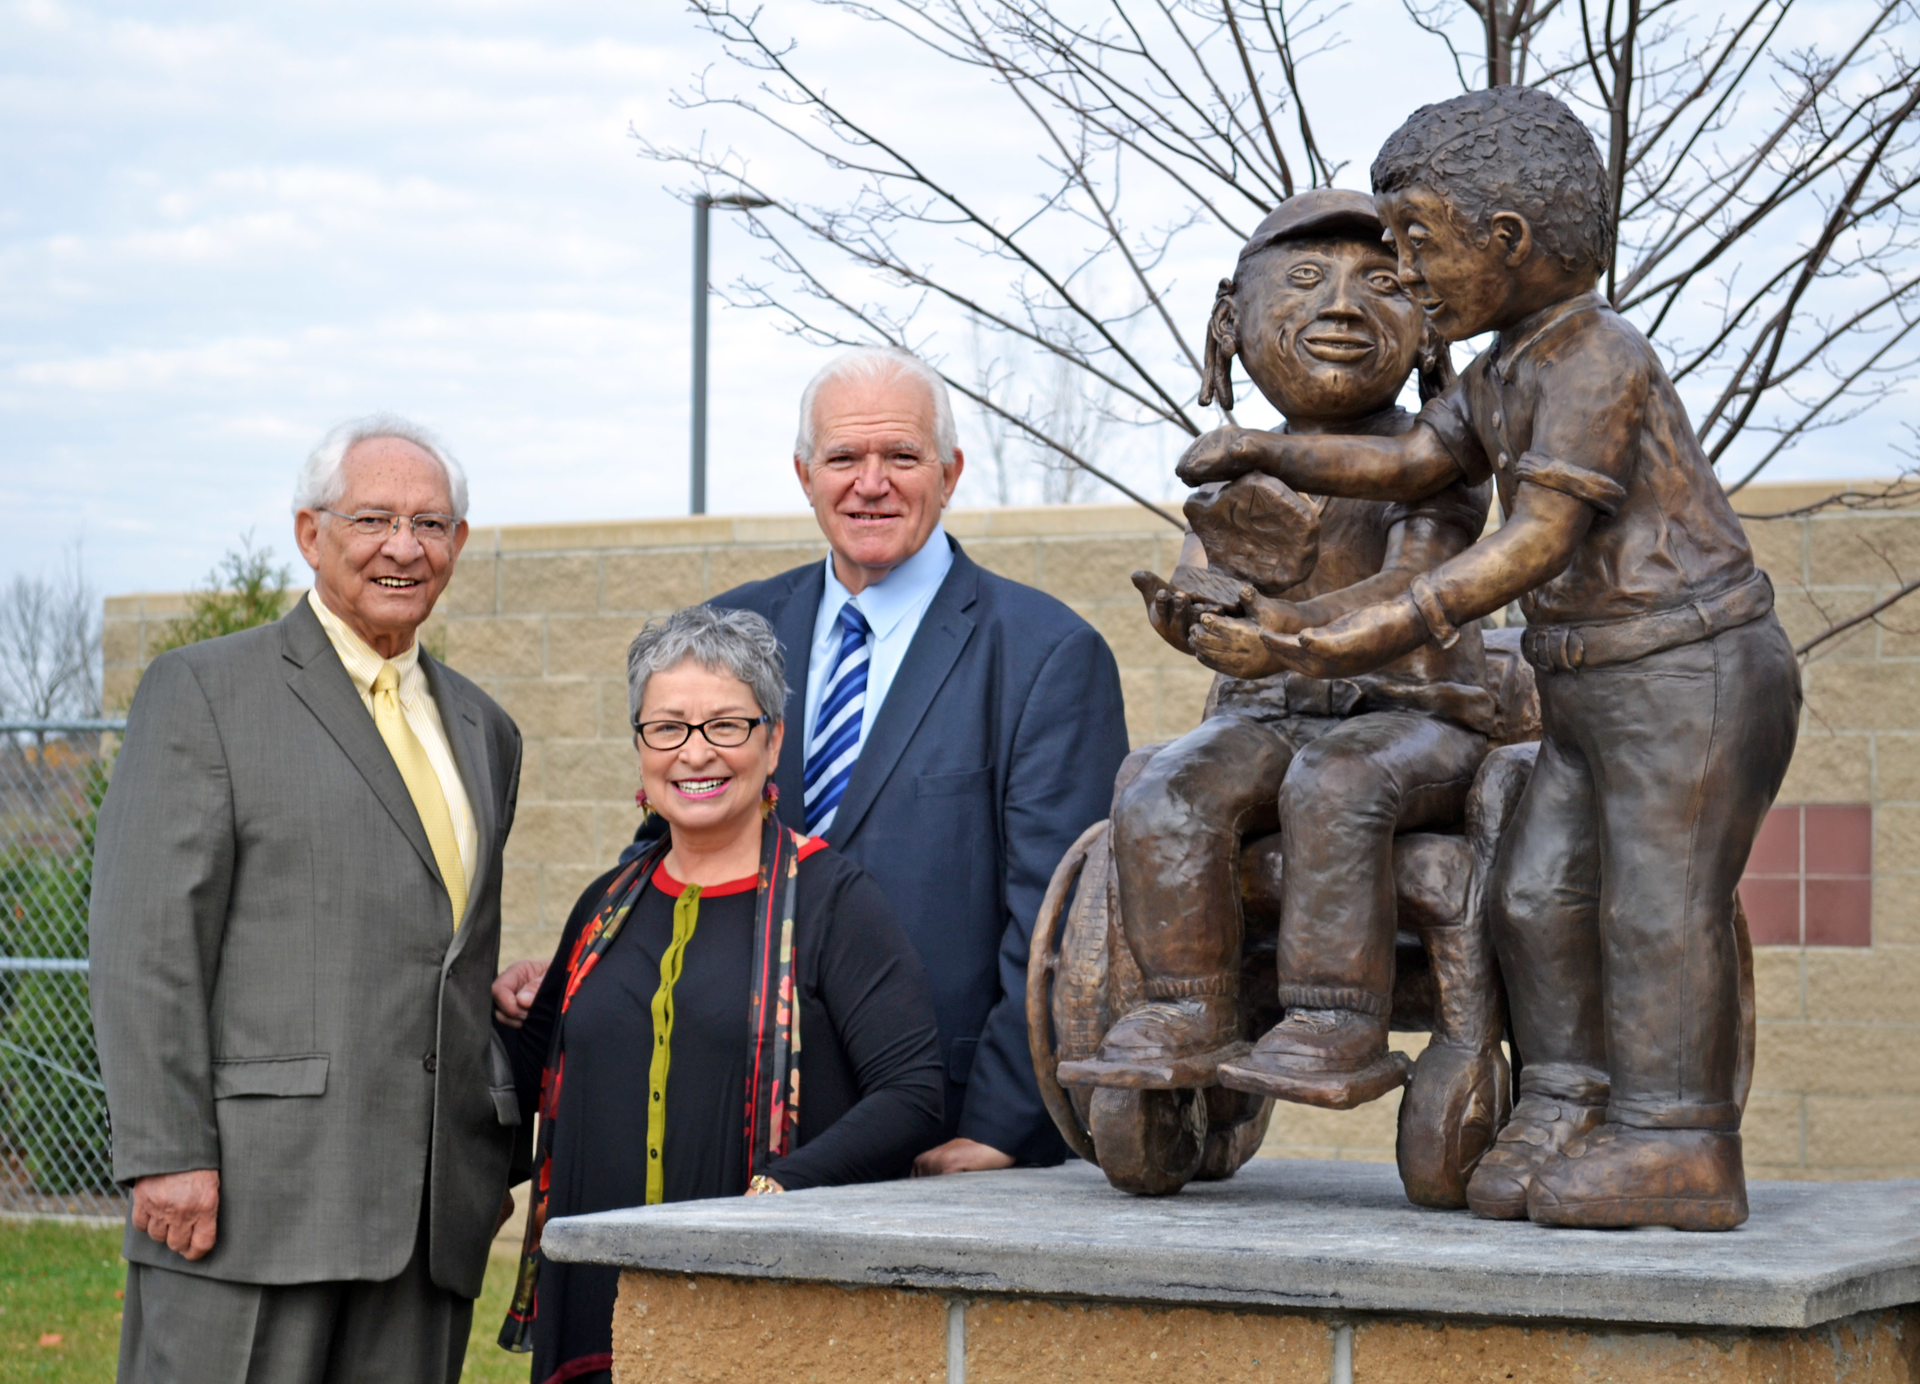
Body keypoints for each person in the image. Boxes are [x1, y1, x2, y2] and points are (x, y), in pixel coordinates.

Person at [1177, 88, 1799, 1230]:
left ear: (1505, 243)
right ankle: (1567, 1101)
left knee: (1652, 906)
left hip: (1692, 672)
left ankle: (1678, 1140)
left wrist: (1342, 629)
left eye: (1415, 242)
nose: (1403, 270)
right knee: (1534, 892)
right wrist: (1273, 445)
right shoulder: (1508, 364)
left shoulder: (1595, 360)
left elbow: (1531, 542)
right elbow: (1419, 457)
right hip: (1592, 682)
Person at [498, 347, 1129, 1172]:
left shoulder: (1047, 655)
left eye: (901, 456)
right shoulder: (733, 629)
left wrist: (1004, 1127)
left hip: (939, 1131)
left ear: (950, 471)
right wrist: (587, 971)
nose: (872, 482)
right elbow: (668, 840)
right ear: (804, 474)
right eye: (844, 458)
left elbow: (1064, 922)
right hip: (727, 1106)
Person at [90, 416, 524, 1383]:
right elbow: (144, 943)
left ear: (458, 541)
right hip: (249, 1203)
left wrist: (486, 1135)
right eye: (373, 517)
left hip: (425, 1223)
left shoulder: (485, 729)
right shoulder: (205, 692)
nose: (404, 546)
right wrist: (165, 1152)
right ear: (308, 532)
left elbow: (446, 948)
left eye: (432, 523)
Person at [1055, 189, 1493, 1109]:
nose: (1341, 306)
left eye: (1381, 283)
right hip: (1266, 715)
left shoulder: (1440, 459)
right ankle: (1187, 1008)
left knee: (1338, 780)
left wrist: (1279, 633)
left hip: (1412, 722)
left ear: (1427, 326)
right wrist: (1192, 613)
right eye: (1304, 280)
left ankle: (1336, 1017)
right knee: (1166, 787)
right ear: (1233, 319)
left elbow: (1407, 596)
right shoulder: (1237, 462)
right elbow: (1209, 577)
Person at [491, 605, 944, 1384]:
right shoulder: (606, 906)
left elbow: (912, 1094)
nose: (695, 753)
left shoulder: (835, 900)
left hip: (764, 1302)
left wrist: (780, 1186)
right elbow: (527, 1074)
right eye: (667, 727)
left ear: (772, 741)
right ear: (640, 748)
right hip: (597, 1304)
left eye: (726, 726)